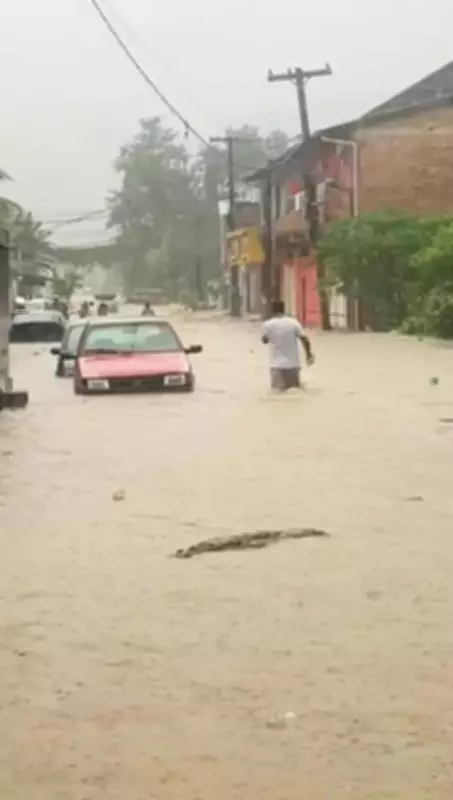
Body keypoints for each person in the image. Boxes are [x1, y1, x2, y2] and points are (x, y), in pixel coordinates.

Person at [262, 300, 315, 390]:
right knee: (294, 391)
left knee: (277, 394)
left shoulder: (267, 325)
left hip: (276, 366)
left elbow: (264, 340)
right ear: (284, 309)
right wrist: (308, 354)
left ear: (272, 310)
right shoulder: (293, 323)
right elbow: (304, 339)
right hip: (293, 365)